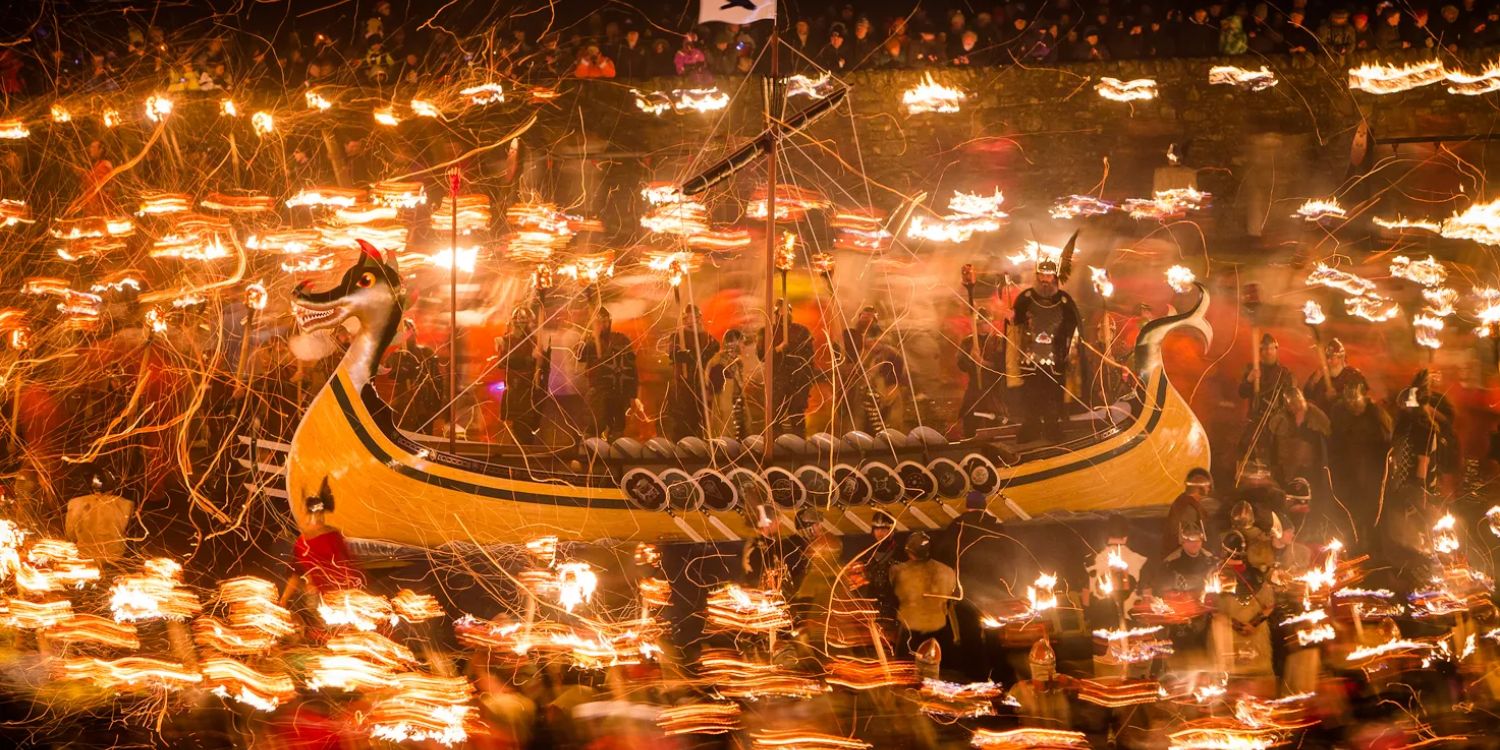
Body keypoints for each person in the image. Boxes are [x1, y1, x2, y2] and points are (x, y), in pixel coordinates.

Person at [1011, 257, 1080, 443]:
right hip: (1029, 359)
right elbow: (1014, 328)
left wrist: (1069, 356)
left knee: (1053, 397)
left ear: (1054, 277)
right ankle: (1031, 428)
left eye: (1049, 275)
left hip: (1056, 359)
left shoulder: (1065, 302)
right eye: (1042, 274)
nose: (1045, 279)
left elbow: (1074, 330)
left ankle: (1052, 429)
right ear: (1037, 275)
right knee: (1030, 396)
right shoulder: (1024, 299)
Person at [281, 479, 365, 608]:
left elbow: (349, 568)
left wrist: (351, 596)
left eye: (316, 516)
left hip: (342, 599)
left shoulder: (332, 536)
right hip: (321, 600)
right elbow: (296, 573)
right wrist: (284, 599)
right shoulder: (301, 543)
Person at [1329, 382, 1391, 529]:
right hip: (1348, 465)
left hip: (1371, 465)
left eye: (1355, 403)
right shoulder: (1339, 412)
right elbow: (1335, 438)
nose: (1353, 407)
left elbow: (1386, 440)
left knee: (1370, 502)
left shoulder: (1376, 413)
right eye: (1349, 404)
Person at [836, 305, 906, 434]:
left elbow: (897, 364)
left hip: (880, 389)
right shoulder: (851, 339)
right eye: (864, 315)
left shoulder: (888, 348)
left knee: (887, 426)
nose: (866, 318)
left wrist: (892, 386)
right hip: (859, 390)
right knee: (856, 424)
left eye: (870, 316)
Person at [890, 531, 957, 656]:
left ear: (909, 551)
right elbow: (949, 598)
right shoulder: (947, 571)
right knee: (934, 669)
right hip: (938, 629)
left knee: (905, 669)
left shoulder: (900, 572)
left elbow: (896, 596)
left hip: (911, 629)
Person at [576, 308, 637, 439]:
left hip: (618, 392)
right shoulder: (591, 342)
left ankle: (616, 458)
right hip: (598, 392)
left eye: (605, 322)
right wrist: (588, 337)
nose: (602, 325)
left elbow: (631, 367)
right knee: (594, 427)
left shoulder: (621, 340)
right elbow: (578, 356)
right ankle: (593, 455)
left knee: (618, 430)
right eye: (599, 322)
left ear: (609, 322)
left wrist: (632, 393)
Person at [757, 299, 815, 437]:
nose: (784, 314)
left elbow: (809, 356)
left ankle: (799, 446)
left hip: (797, 379)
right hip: (777, 378)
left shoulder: (801, 331)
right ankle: (777, 445)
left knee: (797, 414)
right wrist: (778, 349)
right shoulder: (767, 331)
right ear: (776, 313)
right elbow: (762, 356)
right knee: (775, 414)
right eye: (781, 311)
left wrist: (808, 378)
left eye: (787, 310)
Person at [497, 306, 552, 444]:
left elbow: (544, 368)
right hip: (515, 391)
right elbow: (504, 363)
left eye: (523, 322)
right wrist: (530, 358)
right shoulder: (505, 341)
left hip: (531, 392)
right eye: (518, 322)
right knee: (520, 431)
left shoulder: (534, 341)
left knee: (529, 430)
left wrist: (543, 358)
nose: (520, 325)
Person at [664, 305, 719, 441]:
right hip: (684, 385)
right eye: (690, 317)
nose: (693, 320)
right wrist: (686, 355)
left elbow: (715, 351)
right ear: (685, 319)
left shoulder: (707, 338)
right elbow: (673, 353)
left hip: (702, 385)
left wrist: (706, 354)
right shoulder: (678, 337)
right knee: (682, 422)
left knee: (701, 420)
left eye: (695, 317)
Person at [1084, 514, 1148, 628]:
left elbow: (1086, 595)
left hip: (1101, 622)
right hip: (1132, 622)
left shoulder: (1091, 561)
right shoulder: (1140, 561)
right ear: (1126, 536)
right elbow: (1147, 594)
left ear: (1106, 535)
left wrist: (1089, 617)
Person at [65, 471, 133, 566]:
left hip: (85, 557)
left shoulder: (75, 503)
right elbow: (127, 533)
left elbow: (70, 533)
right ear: (113, 487)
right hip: (114, 558)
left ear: (92, 487)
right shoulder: (126, 505)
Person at [1266, 389, 1330, 489]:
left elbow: (1321, 446)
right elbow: (1276, 444)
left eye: (1295, 404)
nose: (1293, 408)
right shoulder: (1283, 418)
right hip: (1287, 467)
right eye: (1290, 406)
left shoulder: (1316, 416)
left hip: (1310, 470)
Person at [387, 320, 443, 433]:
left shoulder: (426, 353)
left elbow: (437, 380)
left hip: (424, 408)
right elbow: (390, 376)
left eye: (409, 331)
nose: (406, 335)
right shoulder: (395, 355)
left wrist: (436, 407)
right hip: (403, 410)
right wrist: (403, 367)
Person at [958, 309, 1007, 437]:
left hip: (993, 389)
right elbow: (961, 365)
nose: (983, 326)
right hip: (975, 388)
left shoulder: (999, 341)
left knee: (995, 423)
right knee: (969, 419)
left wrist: (982, 362)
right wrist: (970, 359)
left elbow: (1002, 367)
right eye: (979, 323)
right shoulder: (968, 342)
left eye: (986, 322)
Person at [1004, 639, 1073, 728]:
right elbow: (1005, 713)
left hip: (1059, 738)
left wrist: (1067, 682)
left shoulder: (1061, 689)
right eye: (1041, 667)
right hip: (1032, 738)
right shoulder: (1019, 690)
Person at [706, 329, 761, 439]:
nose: (743, 346)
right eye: (741, 343)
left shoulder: (737, 362)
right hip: (726, 409)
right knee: (727, 439)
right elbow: (716, 393)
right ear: (733, 343)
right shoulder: (718, 362)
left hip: (738, 405)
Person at [1238, 334, 1296, 422]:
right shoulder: (1252, 369)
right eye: (1265, 349)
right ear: (1261, 351)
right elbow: (1242, 393)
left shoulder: (1284, 373)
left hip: (1276, 422)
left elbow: (1291, 401)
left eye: (1272, 349)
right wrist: (1249, 380)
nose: (1269, 352)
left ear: (1276, 350)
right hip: (1255, 420)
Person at [1302, 338, 1366, 415]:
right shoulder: (1320, 374)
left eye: (1332, 357)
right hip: (1323, 420)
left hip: (1345, 420)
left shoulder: (1353, 375)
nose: (1328, 360)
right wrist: (1313, 381)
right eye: (1327, 357)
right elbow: (1307, 395)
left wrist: (1337, 396)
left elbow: (1359, 400)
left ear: (1341, 357)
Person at [1164, 468, 1214, 555]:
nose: (1208, 489)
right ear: (1199, 488)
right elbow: (1191, 543)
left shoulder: (1187, 502)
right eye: (1206, 486)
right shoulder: (1189, 509)